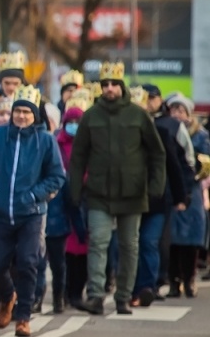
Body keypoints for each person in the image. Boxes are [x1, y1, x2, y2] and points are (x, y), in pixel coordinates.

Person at [66, 62, 166, 316]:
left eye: (113, 84)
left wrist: (156, 186)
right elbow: (78, 157)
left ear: (121, 86)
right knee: (98, 242)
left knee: (129, 245)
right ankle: (97, 296)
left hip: (132, 193)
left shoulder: (137, 115)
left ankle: (123, 296)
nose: (109, 89)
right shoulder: (91, 116)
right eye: (105, 85)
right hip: (99, 192)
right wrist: (75, 190)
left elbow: (157, 153)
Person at [0, 85, 67, 337]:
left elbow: (57, 176)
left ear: (35, 114)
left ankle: (23, 316)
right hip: (1, 213)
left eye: (27, 111)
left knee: (28, 262)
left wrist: (34, 195)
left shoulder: (45, 140)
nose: (22, 116)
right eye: (18, 111)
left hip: (31, 213)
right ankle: (7, 296)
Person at [134, 84, 193, 306]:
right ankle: (134, 288)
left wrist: (182, 195)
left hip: (159, 197)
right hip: (131, 197)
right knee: (131, 244)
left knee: (151, 242)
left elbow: (176, 164)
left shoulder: (165, 128)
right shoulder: (128, 130)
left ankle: (149, 285)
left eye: (151, 99)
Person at [47, 89, 91, 311]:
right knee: (63, 253)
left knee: (82, 248)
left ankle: (76, 292)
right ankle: (62, 293)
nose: (74, 125)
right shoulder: (55, 142)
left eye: (78, 121)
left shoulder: (89, 143)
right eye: (70, 121)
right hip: (61, 204)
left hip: (83, 201)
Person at [165, 94, 206, 298]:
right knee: (172, 238)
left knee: (191, 239)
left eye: (181, 111)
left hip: (193, 189)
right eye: (174, 110)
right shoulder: (165, 131)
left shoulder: (200, 136)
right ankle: (174, 281)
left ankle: (189, 279)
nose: (177, 115)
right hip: (172, 189)